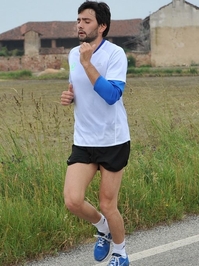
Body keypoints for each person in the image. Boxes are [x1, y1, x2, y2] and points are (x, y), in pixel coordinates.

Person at [60, 1, 130, 265]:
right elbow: (77, 86)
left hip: (113, 140)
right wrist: (70, 96)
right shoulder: (72, 54)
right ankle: (103, 229)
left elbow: (112, 95)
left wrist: (88, 63)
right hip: (84, 139)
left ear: (102, 26)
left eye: (86, 21)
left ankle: (121, 254)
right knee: (73, 200)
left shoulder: (115, 54)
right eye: (78, 20)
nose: (80, 25)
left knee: (108, 205)